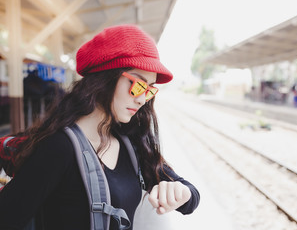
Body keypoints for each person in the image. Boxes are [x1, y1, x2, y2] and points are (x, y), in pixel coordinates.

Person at [0, 24, 200, 230]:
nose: (142, 100)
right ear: (105, 78)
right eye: (137, 85)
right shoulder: (59, 147)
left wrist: (182, 193)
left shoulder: (130, 143)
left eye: (149, 90)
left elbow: (191, 198)